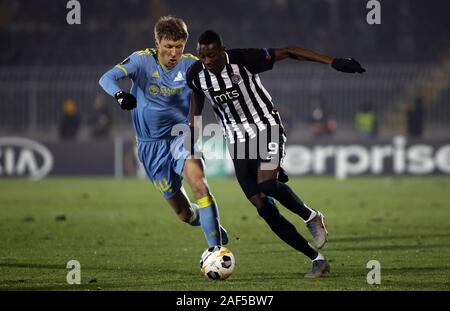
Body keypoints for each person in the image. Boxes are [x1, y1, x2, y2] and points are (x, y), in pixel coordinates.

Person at [186, 30, 365, 278]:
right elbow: (196, 103)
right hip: (236, 141)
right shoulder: (196, 75)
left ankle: (311, 216)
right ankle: (317, 259)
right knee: (264, 208)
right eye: (202, 56)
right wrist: (191, 138)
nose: (206, 61)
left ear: (222, 50)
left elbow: (289, 51)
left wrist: (332, 61)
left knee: (268, 184)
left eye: (212, 55)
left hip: (265, 127)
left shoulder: (243, 59)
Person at [99, 16, 228, 248]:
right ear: (157, 43)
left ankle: (216, 250)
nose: (173, 53)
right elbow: (106, 78)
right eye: (168, 46)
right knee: (184, 214)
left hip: (181, 136)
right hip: (150, 146)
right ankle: (209, 222)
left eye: (179, 47)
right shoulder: (141, 61)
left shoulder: (191, 65)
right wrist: (120, 95)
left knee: (200, 184)